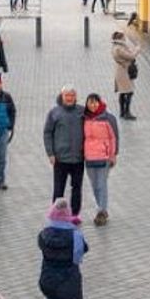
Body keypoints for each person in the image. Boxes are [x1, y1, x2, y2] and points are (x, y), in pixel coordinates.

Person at [37, 198, 90, 299]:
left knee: (52, 296)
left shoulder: (43, 235)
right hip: (69, 279)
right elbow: (83, 251)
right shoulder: (76, 236)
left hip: (47, 278)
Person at [42, 87, 85, 217]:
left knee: (77, 188)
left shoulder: (82, 112)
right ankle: (56, 214)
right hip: (60, 159)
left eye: (72, 95)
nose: (70, 98)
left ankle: (75, 214)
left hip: (78, 158)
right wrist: (50, 153)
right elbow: (47, 133)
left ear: (75, 97)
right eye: (67, 95)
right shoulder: (54, 113)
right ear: (62, 96)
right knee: (58, 189)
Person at [82, 94, 119, 226]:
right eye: (90, 103)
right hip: (89, 157)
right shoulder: (83, 118)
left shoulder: (108, 118)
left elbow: (114, 137)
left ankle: (102, 210)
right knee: (94, 185)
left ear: (100, 103)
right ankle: (101, 207)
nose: (93, 105)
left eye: (95, 102)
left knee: (101, 184)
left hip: (104, 157)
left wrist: (113, 155)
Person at [111, 26, 140, 121]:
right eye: (123, 37)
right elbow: (131, 56)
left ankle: (123, 112)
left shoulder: (118, 46)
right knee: (128, 92)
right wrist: (137, 50)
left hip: (122, 71)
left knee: (123, 92)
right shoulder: (119, 48)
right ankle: (126, 112)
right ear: (120, 38)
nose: (125, 39)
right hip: (124, 72)